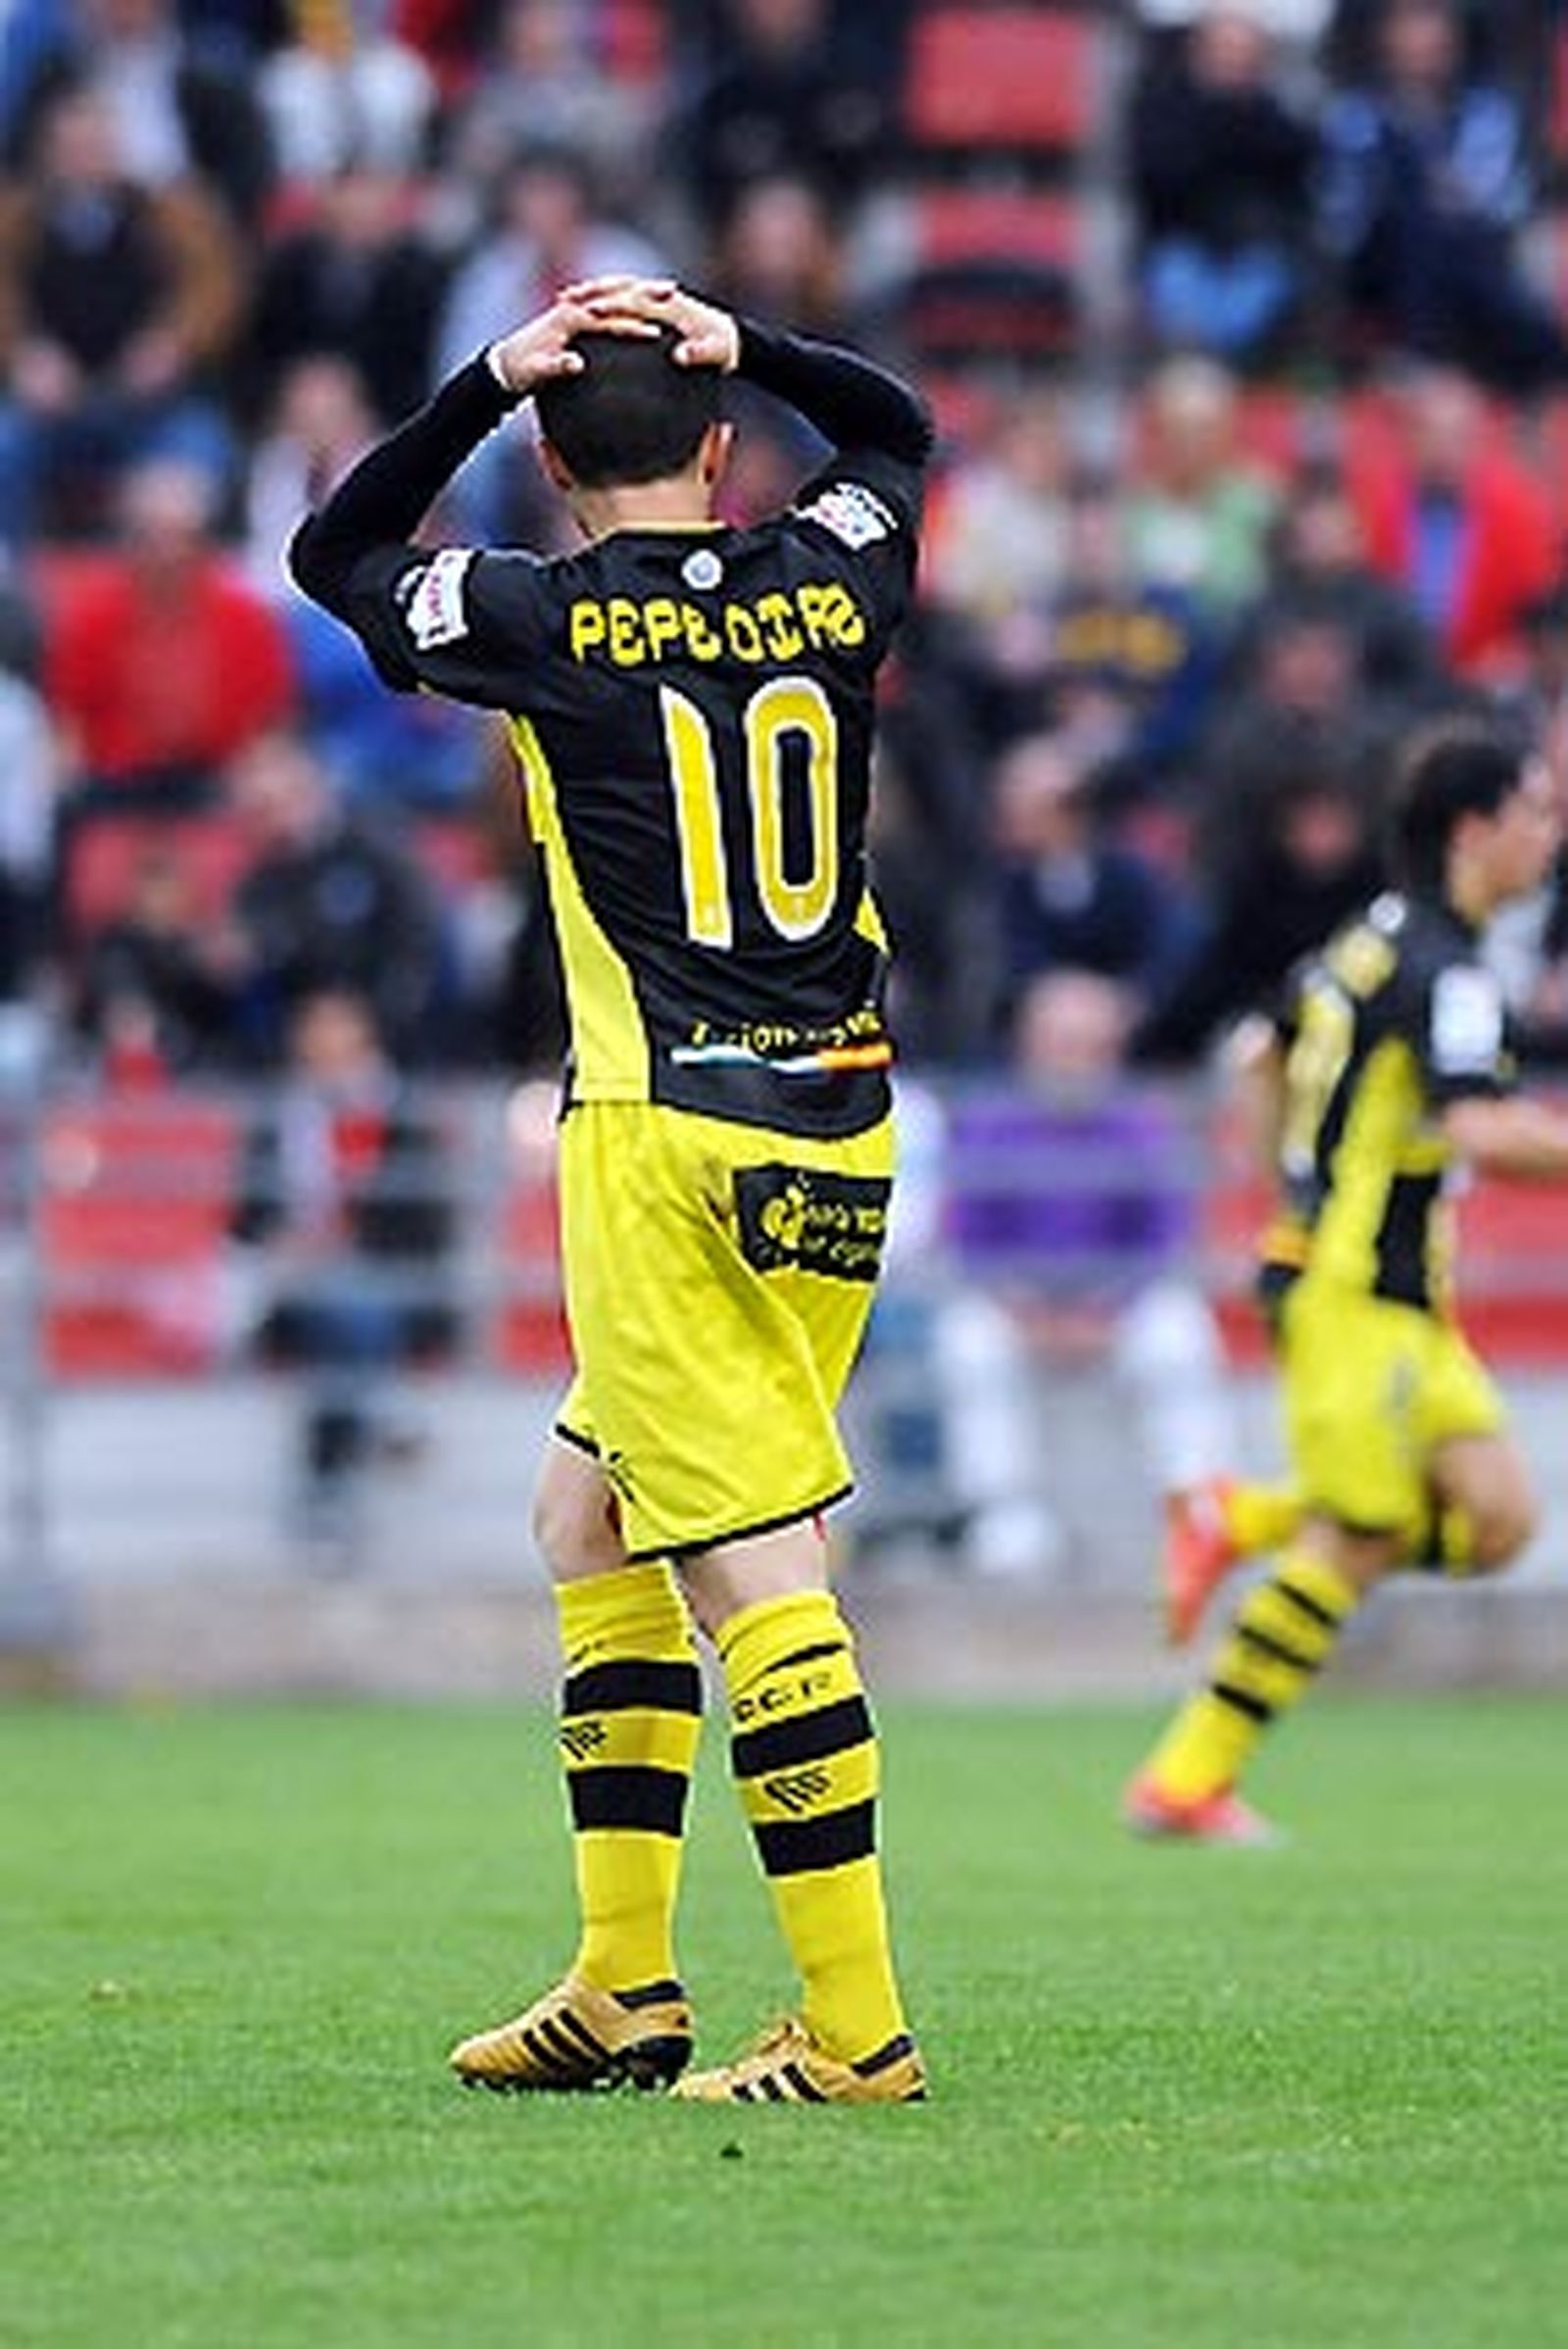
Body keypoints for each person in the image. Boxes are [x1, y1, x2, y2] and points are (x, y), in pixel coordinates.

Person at [290, 274, 933, 2102]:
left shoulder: (539, 615)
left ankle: (858, 2029)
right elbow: (897, 432)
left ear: (556, 467)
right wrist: (761, 340)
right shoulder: (829, 574)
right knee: (590, 1520)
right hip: (838, 1121)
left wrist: (482, 383)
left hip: (665, 1134)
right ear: (722, 448)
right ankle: (624, 1984)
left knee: (751, 1563)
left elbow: (336, 550)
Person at [1124, 717, 1567, 1843]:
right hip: (1357, 1294)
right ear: (1472, 830)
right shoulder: (1448, 970)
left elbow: (1256, 1055)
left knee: (1501, 1522)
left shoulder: (1367, 940)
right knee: (1361, 1534)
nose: (1549, 835)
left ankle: (1237, 1515)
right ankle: (1184, 1780)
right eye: (1535, 811)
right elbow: (1480, 1128)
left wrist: (1292, 1190)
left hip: (1394, 1294)